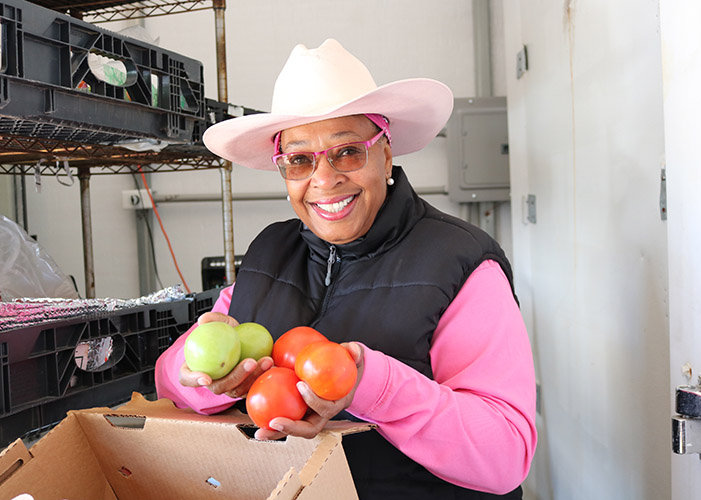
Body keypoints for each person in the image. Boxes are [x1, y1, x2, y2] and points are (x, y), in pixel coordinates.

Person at [155, 39, 537, 499]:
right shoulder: (269, 251)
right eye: (299, 160)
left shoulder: (461, 260)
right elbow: (170, 382)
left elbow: (505, 456)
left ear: (386, 154)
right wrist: (209, 380)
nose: (324, 179)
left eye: (348, 151)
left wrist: (368, 385)